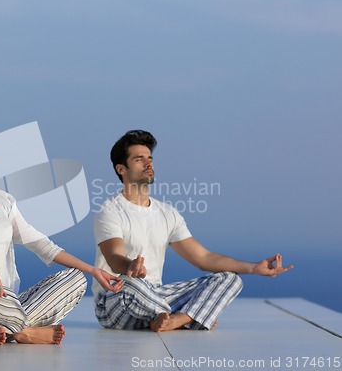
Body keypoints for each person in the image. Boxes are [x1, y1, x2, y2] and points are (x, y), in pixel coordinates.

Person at [0, 116, 123, 345]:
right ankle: (22, 332)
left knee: (75, 278)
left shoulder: (3, 200)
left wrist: (93, 270)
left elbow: (40, 243)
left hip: (1, 304)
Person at [92, 130, 293, 332]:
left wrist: (254, 268)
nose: (148, 163)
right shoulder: (110, 211)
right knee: (130, 284)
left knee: (229, 279)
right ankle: (191, 317)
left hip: (156, 296)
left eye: (150, 158)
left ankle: (174, 321)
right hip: (116, 299)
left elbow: (203, 258)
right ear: (121, 169)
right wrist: (130, 265)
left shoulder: (168, 213)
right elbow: (114, 257)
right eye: (139, 159)